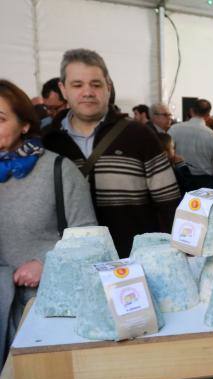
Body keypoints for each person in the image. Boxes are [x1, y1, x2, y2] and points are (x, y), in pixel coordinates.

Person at [42, 48, 181, 257]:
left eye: (96, 84)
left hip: (135, 265)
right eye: (77, 85)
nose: (87, 92)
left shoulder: (139, 135)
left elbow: (169, 204)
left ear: (108, 87)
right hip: (72, 264)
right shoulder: (48, 142)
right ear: (63, 89)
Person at [0, 79, 96, 355]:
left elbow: (87, 235)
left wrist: (45, 262)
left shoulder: (57, 169)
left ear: (25, 124)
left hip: (39, 307)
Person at [167, 98, 213, 178]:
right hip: (205, 181)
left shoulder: (174, 129)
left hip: (179, 178)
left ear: (191, 111)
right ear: (208, 116)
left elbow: (166, 152)